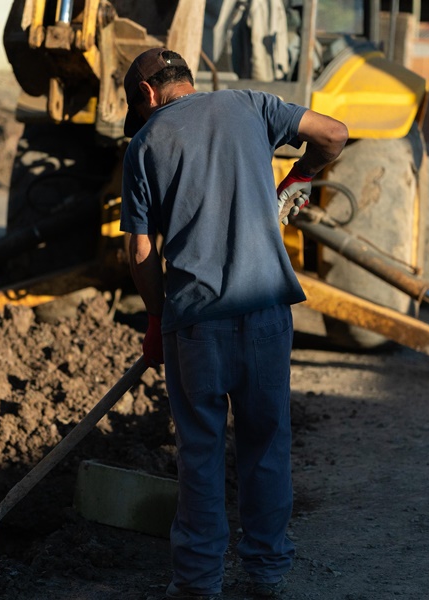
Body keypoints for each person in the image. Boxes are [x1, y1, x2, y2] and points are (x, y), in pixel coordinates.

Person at [120, 48, 348, 599]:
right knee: (266, 444)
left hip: (197, 323)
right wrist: (300, 174)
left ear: (148, 95)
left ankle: (199, 582)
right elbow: (335, 134)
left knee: (200, 452)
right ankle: (266, 574)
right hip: (268, 311)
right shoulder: (251, 105)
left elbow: (140, 251)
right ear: (187, 80)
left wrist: (155, 321)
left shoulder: (145, 144)